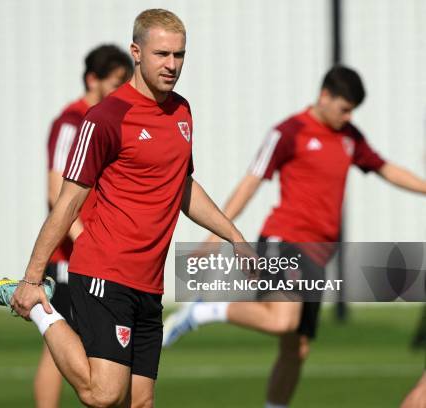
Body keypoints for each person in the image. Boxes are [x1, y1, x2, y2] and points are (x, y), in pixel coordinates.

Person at [0, 9, 254, 407]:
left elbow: (182, 188)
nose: (172, 65)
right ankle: (39, 311)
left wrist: (234, 236)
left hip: (149, 281)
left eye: (179, 55)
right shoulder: (106, 117)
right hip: (104, 272)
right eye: (162, 54)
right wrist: (31, 278)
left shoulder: (182, 112)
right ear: (136, 52)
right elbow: (66, 203)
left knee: (139, 403)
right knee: (102, 394)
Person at [162, 65, 426, 408]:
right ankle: (204, 310)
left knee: (296, 348)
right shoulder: (290, 131)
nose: (348, 116)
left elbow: (387, 169)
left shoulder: (350, 137)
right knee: (283, 318)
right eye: (344, 108)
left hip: (319, 253)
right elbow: (252, 180)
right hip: (285, 239)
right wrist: (217, 233)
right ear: (325, 96)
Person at [36, 44, 132, 408]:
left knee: (105, 352)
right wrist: (82, 240)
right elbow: (54, 192)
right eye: (117, 81)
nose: (122, 89)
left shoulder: (109, 121)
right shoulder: (71, 122)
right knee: (60, 346)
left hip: (101, 255)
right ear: (93, 79)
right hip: (70, 255)